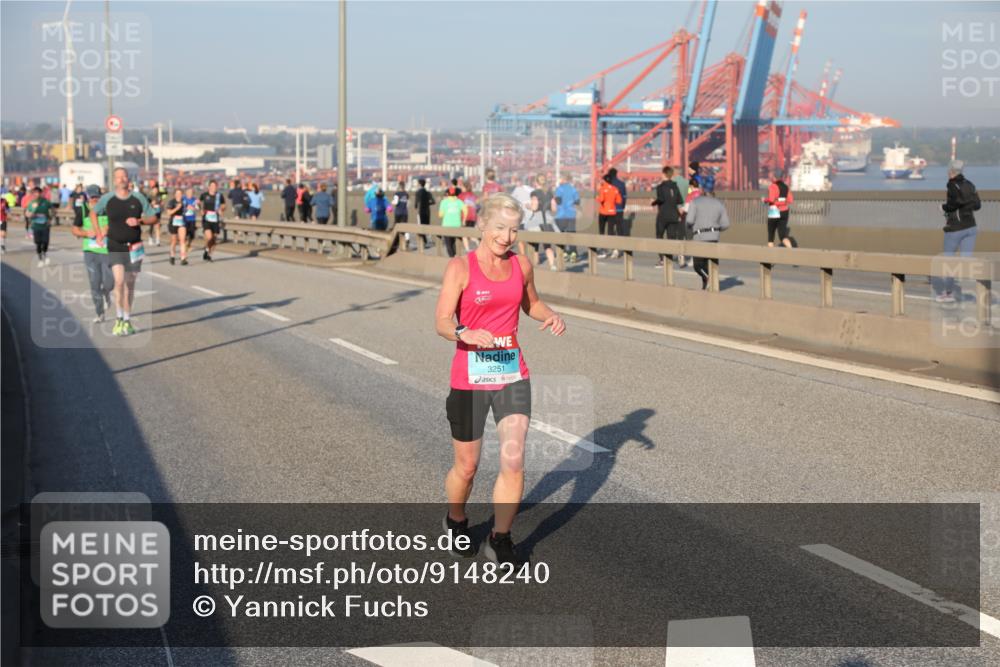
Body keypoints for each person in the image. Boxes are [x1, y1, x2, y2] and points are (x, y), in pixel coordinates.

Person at [434, 192, 566, 565]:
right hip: (469, 377)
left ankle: (500, 537)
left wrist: (550, 315)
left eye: (513, 229)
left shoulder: (522, 265)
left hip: (511, 373)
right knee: (468, 465)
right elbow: (442, 320)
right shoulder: (460, 267)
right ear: (482, 226)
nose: (506, 237)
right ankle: (456, 519)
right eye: (499, 228)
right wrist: (463, 332)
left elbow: (531, 303)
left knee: (513, 460)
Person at [90, 167, 158, 336]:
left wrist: (140, 220)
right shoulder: (107, 198)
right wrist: (98, 232)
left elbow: (154, 217)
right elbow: (93, 213)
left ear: (128, 179)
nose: (121, 179)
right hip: (115, 245)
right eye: (118, 177)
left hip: (134, 247)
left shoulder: (138, 197)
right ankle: (118, 318)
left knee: (130, 285)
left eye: (124, 176)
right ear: (114, 180)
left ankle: (127, 320)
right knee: (119, 281)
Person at [934, 160, 981, 303]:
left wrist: (944, 208)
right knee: (966, 261)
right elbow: (978, 205)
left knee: (949, 261)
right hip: (971, 227)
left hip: (955, 229)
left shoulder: (951, 184)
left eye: (949, 171)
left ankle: (949, 294)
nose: (948, 173)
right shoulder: (970, 184)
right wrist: (966, 208)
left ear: (952, 171)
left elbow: (955, 202)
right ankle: (974, 292)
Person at [70, 185, 113, 322]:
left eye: (97, 196)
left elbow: (117, 223)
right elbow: (74, 230)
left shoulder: (107, 208)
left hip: (107, 250)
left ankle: (106, 293)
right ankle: (99, 313)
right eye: (92, 197)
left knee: (109, 282)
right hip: (90, 252)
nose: (94, 199)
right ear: (87, 197)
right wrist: (85, 233)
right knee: (94, 283)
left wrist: (108, 228)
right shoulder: (82, 209)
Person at [685, 180, 730, 290]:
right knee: (713, 264)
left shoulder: (695, 202)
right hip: (714, 238)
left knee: (698, 265)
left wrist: (692, 228)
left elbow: (689, 220)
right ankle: (709, 284)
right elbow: (726, 224)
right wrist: (715, 230)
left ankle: (709, 279)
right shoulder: (719, 203)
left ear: (702, 190)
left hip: (699, 237)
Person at [652, 166, 684, 267]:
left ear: (664, 174)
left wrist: (653, 203)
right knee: (671, 237)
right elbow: (679, 201)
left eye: (662, 174)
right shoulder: (675, 186)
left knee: (659, 236)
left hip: (663, 216)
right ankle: (669, 258)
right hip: (674, 215)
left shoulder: (660, 187)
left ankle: (662, 259)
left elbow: (661, 199)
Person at [520, 192, 560, 270]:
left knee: (535, 246)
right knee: (547, 246)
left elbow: (534, 208)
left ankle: (534, 265)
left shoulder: (535, 196)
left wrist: (528, 206)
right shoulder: (549, 197)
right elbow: (554, 209)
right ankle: (552, 265)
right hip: (547, 223)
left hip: (537, 223)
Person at [763, 169, 794, 249]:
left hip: (774, 211)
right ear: (782, 177)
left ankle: (770, 257)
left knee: (771, 235)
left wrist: (764, 200)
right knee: (783, 236)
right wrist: (782, 201)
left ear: (774, 177)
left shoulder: (773, 186)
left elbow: (771, 200)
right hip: (785, 212)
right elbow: (790, 200)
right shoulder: (786, 187)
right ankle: (791, 251)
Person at [553, 174, 580, 261]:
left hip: (561, 215)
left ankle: (563, 253)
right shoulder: (573, 189)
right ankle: (573, 254)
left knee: (561, 234)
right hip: (571, 215)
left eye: (560, 178)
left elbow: (558, 200)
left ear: (564, 179)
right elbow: (577, 201)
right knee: (571, 235)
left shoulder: (559, 189)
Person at [595, 172, 622, 259]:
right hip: (612, 212)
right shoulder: (615, 189)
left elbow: (601, 199)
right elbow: (619, 201)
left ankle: (603, 251)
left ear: (605, 180)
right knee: (611, 231)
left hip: (603, 212)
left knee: (602, 231)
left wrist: (597, 196)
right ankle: (615, 250)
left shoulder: (603, 188)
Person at [199, 180, 226, 261]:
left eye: (215, 186)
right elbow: (198, 202)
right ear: (209, 187)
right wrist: (200, 210)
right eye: (212, 186)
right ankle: (207, 249)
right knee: (209, 237)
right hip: (206, 218)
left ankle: (208, 253)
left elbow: (224, 205)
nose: (213, 188)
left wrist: (221, 209)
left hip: (215, 219)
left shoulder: (219, 196)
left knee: (214, 240)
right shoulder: (204, 195)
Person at [26, 187, 53, 266]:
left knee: (45, 242)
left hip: (45, 226)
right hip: (36, 226)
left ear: (41, 193)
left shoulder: (46, 202)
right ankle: (40, 259)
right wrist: (32, 213)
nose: (36, 194)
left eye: (38, 192)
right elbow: (27, 214)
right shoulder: (31, 203)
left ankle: (45, 253)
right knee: (38, 243)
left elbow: (52, 210)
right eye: (34, 193)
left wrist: (50, 218)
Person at [438, 187, 467, 258]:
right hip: (457, 225)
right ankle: (455, 257)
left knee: (448, 244)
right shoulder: (459, 202)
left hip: (447, 226)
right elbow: (465, 210)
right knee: (454, 243)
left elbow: (440, 215)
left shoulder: (444, 202)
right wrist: (464, 220)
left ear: (447, 194)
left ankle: (452, 258)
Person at [165, 188, 189, 265]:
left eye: (180, 194)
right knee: (174, 241)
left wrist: (191, 208)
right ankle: (172, 256)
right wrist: (177, 208)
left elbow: (188, 210)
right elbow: (168, 213)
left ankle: (183, 259)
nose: (179, 195)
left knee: (182, 240)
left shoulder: (184, 202)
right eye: (177, 194)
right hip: (173, 222)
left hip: (182, 222)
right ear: (175, 194)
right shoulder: (171, 202)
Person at [608, 168, 627, 255]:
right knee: (619, 228)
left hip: (610, 210)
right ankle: (620, 248)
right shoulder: (622, 184)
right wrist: (622, 207)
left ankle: (613, 248)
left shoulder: (608, 184)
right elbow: (624, 197)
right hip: (619, 209)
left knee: (610, 228)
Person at [414, 178, 435, 248]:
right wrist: (427, 203)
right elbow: (433, 201)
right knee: (427, 226)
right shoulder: (428, 192)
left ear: (419, 184)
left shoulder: (417, 192)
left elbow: (416, 204)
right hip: (427, 211)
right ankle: (429, 241)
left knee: (420, 227)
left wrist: (417, 206)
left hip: (420, 212)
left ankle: (424, 242)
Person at [458, 186, 479, 253]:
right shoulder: (474, 196)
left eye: (462, 187)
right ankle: (477, 242)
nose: (461, 188)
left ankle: (467, 249)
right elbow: (478, 206)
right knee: (469, 233)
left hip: (465, 217)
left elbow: (458, 206)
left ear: (465, 188)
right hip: (473, 217)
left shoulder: (461, 195)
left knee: (464, 234)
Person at [182, 187, 199, 255]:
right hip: (185, 218)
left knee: (192, 234)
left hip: (192, 219)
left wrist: (195, 206)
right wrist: (186, 207)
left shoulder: (194, 199)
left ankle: (189, 244)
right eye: (189, 192)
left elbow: (197, 208)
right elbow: (181, 207)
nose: (190, 194)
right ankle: (185, 245)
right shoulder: (183, 199)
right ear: (186, 193)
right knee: (185, 233)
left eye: (191, 193)